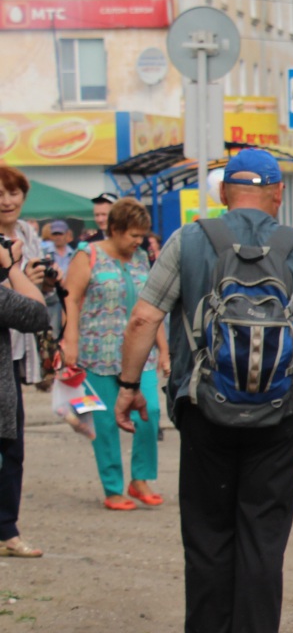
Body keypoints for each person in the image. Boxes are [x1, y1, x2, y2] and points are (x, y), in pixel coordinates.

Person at [116, 149, 293, 633]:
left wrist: (129, 388)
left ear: (225, 193)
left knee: (207, 532)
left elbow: (143, 317)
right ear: (277, 194)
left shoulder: (189, 240)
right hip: (281, 413)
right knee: (262, 536)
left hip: (205, 408)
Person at [60, 198, 169, 512]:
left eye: (142, 235)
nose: (138, 241)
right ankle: (112, 488)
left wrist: (163, 350)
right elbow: (72, 300)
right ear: (115, 229)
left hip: (138, 355)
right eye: (132, 235)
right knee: (104, 423)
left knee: (149, 414)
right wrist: (71, 341)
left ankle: (141, 478)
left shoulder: (140, 260)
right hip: (96, 356)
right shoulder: (88, 255)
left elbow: (151, 309)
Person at [0, 167, 52, 557]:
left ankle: (7, 529)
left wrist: (39, 280)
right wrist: (14, 271)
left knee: (12, 442)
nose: (7, 200)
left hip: (16, 351)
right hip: (14, 328)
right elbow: (29, 311)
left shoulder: (29, 234)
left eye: (14, 193)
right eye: (1, 193)